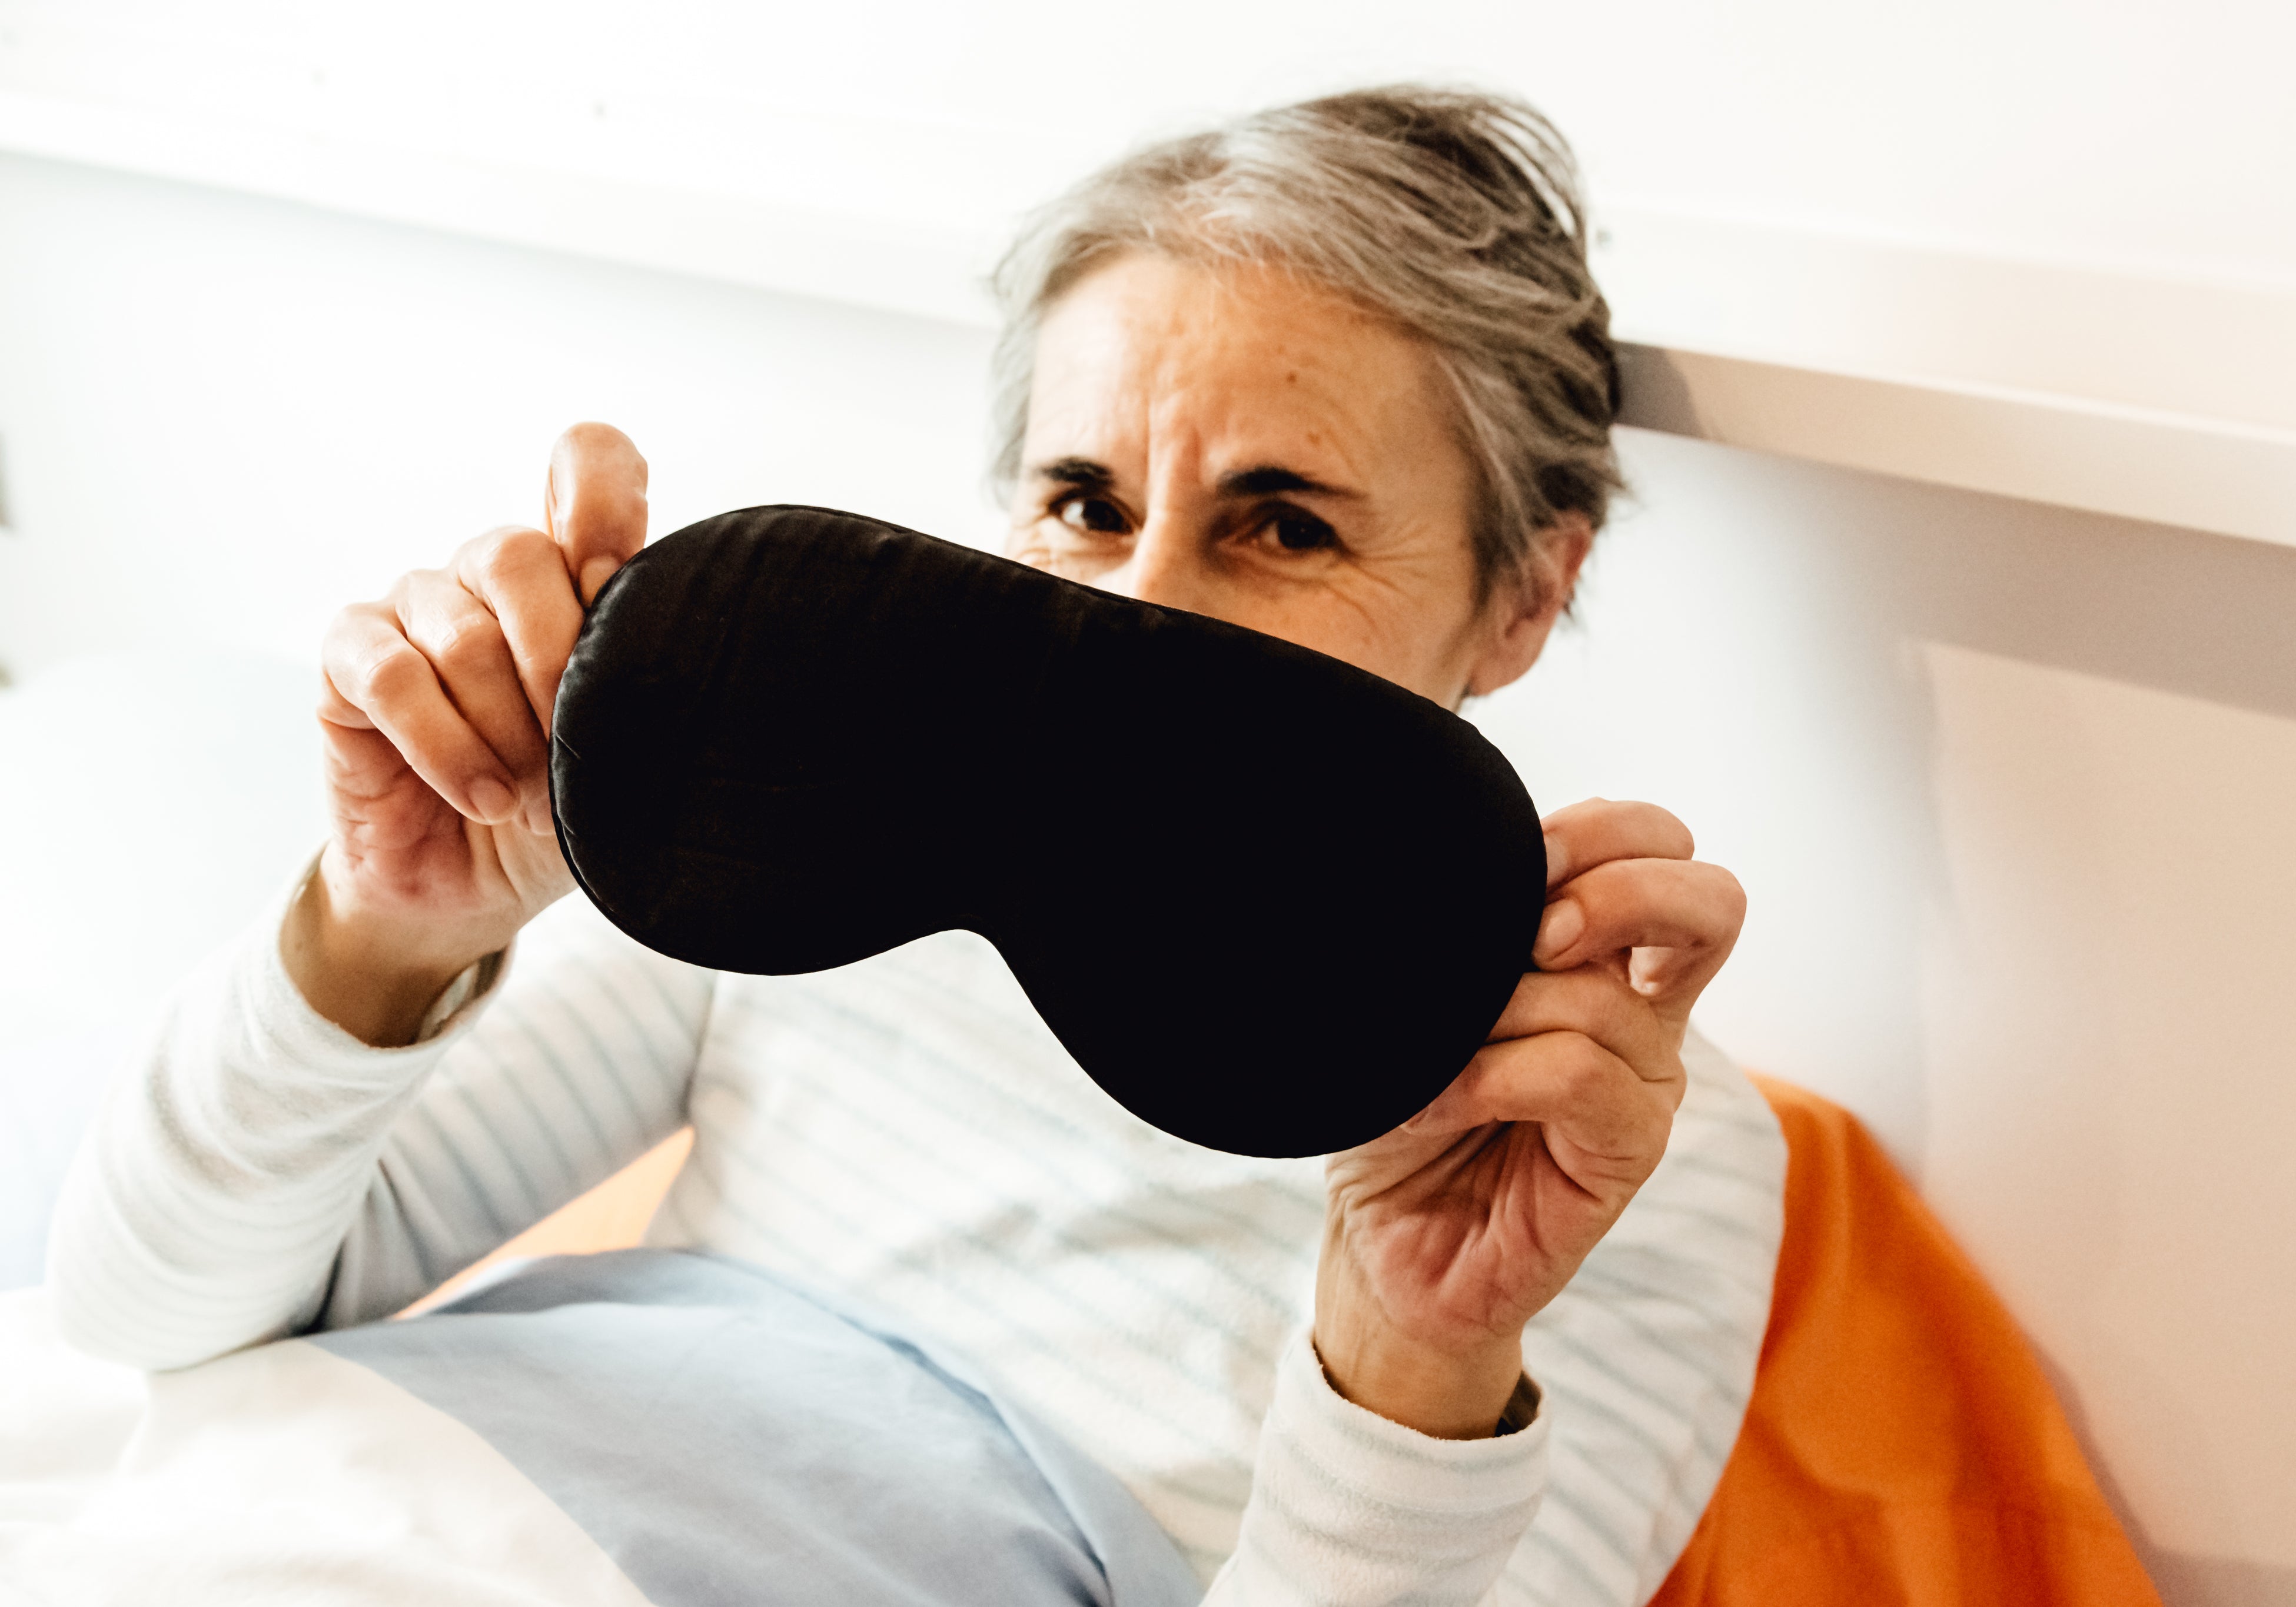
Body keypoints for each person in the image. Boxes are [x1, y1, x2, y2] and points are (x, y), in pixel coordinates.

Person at [47, 86, 1786, 1604]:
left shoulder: (1616, 1150)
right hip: (289, 1506)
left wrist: (1414, 1354)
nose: (1146, 609)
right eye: (1085, 504)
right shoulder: (801, 841)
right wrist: (378, 934)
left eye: (1284, 523)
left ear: (1525, 593)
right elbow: (140, 1307)